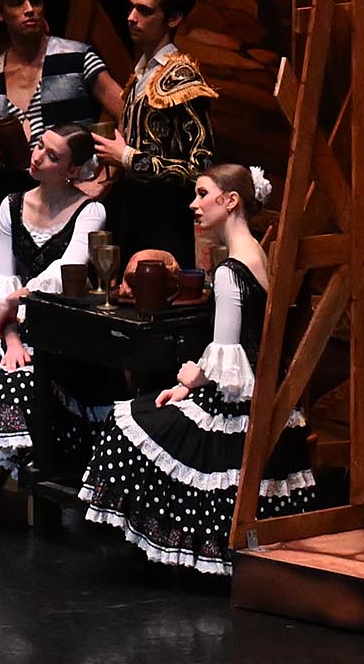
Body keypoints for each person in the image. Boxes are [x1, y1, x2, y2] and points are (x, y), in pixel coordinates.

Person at [78, 162, 326, 576]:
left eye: (203, 194)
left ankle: (174, 543)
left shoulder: (230, 271)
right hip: (262, 392)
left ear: (230, 201)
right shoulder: (256, 252)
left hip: (240, 403)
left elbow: (226, 355)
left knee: (125, 422)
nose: (194, 204)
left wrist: (191, 378)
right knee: (151, 413)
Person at [0, 123, 110, 530]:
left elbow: (67, 270)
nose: (37, 157)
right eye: (39, 147)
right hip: (16, 329)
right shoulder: (12, 205)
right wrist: (10, 338)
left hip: (65, 334)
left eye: (52, 156)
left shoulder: (90, 211)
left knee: (26, 382)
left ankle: (8, 474)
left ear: (72, 170)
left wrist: (18, 301)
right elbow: (4, 282)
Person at [0, 0, 121, 282]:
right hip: (18, 203)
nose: (29, 9)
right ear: (0, 11)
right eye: (17, 2)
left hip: (76, 195)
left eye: (35, 0)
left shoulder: (75, 57)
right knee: (15, 288)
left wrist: (105, 179)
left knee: (76, 286)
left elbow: (129, 113)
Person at [90, 0, 211, 268]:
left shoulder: (182, 78)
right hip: (132, 210)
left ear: (173, 18)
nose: (131, 17)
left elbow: (199, 167)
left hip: (166, 219)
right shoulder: (142, 72)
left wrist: (127, 157)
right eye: (131, 7)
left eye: (144, 11)